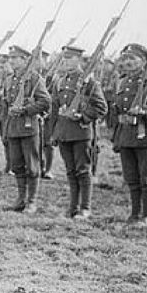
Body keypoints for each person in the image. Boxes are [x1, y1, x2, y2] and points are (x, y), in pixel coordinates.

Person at [108, 43, 147, 227]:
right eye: (125, 58)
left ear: (143, 62)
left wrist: (144, 113)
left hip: (144, 136)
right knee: (131, 177)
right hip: (126, 136)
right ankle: (134, 214)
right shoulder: (122, 82)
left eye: (133, 59)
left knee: (146, 177)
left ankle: (146, 216)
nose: (128, 62)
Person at [50, 46, 108, 219]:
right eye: (64, 58)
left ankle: (85, 207)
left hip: (81, 132)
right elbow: (54, 110)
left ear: (79, 60)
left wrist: (83, 116)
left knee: (83, 170)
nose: (66, 61)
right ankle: (73, 207)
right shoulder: (60, 82)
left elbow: (101, 107)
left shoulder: (89, 82)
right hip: (64, 133)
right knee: (70, 171)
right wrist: (53, 134)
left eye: (70, 58)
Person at [0, 46, 52, 213]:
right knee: (17, 165)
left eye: (15, 58)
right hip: (14, 128)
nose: (12, 61)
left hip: (29, 127)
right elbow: (6, 104)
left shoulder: (35, 79)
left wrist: (25, 109)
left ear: (25, 60)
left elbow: (45, 102)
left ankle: (32, 201)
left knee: (32, 165)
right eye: (10, 58)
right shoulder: (9, 80)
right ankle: (21, 199)